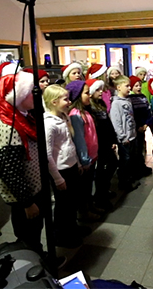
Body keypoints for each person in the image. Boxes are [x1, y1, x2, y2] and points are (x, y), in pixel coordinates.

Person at [0, 70, 48, 254]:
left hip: (34, 190)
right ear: (19, 96)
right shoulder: (9, 128)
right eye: (30, 91)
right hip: (24, 198)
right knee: (27, 235)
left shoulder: (25, 118)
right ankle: (33, 266)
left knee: (35, 232)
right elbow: (9, 172)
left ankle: (38, 258)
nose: (35, 95)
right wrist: (27, 203)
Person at [43, 85, 89, 248]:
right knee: (63, 206)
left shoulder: (64, 117)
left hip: (70, 167)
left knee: (71, 203)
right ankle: (61, 236)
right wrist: (57, 178)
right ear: (54, 102)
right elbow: (47, 155)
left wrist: (76, 162)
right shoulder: (49, 124)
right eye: (65, 99)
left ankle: (72, 228)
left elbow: (69, 143)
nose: (69, 102)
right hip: (60, 171)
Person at [66, 80, 101, 220]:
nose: (90, 95)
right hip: (85, 159)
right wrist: (84, 159)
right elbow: (79, 140)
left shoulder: (85, 112)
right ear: (77, 96)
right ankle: (84, 212)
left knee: (88, 186)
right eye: (86, 93)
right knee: (84, 188)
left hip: (92, 157)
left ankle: (90, 206)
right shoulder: (75, 115)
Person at [87, 78, 119, 210]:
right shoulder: (90, 107)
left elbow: (107, 123)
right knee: (101, 171)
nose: (101, 92)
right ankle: (100, 196)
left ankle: (103, 190)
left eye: (101, 89)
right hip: (98, 143)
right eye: (97, 90)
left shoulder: (101, 104)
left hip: (106, 142)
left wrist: (113, 139)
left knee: (112, 164)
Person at [110, 76, 140, 191]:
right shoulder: (116, 104)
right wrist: (122, 136)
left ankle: (129, 179)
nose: (129, 88)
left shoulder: (128, 100)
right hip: (125, 138)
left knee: (131, 159)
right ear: (118, 87)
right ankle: (123, 183)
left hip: (132, 135)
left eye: (129, 86)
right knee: (125, 161)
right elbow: (116, 122)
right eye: (126, 86)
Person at [129, 75, 153, 176]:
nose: (138, 87)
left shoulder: (143, 97)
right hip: (135, 128)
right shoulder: (129, 99)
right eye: (135, 86)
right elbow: (131, 115)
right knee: (135, 149)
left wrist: (145, 124)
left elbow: (148, 111)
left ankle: (141, 165)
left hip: (143, 126)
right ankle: (135, 168)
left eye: (139, 85)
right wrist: (138, 126)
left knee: (141, 147)